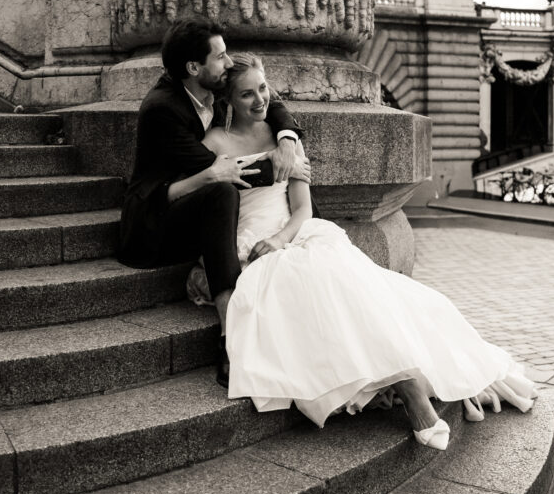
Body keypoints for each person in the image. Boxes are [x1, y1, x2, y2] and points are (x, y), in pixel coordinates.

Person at [201, 54, 536, 451]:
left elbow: (303, 208)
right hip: (248, 244)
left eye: (263, 89)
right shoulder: (214, 144)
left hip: (294, 232)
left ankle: (407, 383)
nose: (260, 100)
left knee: (345, 277)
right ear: (228, 100)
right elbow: (205, 202)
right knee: (316, 282)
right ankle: (408, 387)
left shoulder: (284, 138)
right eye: (247, 94)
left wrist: (283, 238)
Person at [117, 20, 309, 387]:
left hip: (207, 199)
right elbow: (225, 171)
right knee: (221, 189)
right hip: (154, 219)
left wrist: (286, 138)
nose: (227, 62)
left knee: (226, 192)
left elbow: (270, 100)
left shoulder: (216, 87)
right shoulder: (163, 110)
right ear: (193, 68)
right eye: (220, 57)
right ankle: (229, 336)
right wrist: (284, 166)